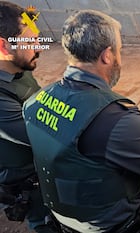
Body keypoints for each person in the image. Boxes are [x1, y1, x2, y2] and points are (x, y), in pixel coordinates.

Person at [22, 10, 140, 233]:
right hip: (114, 225)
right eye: (119, 50)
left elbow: (92, 146)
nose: (120, 56)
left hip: (64, 220)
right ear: (107, 55)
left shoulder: (34, 102)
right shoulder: (116, 116)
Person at [0, 1, 58, 232]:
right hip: (29, 185)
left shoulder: (17, 70)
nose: (39, 48)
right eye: (30, 42)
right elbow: (43, 135)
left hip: (44, 169)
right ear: (4, 46)